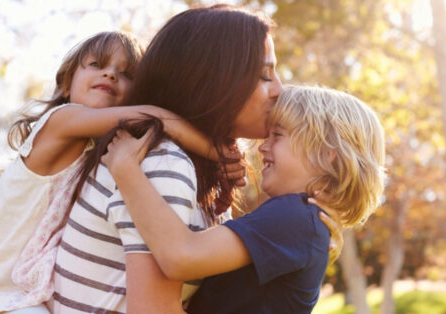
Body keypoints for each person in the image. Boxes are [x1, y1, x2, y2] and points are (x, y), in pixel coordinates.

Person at [0, 31, 225, 314]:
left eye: (125, 74)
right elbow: (154, 118)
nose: (110, 75)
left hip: (33, 294)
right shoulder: (59, 122)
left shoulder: (99, 155)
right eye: (97, 65)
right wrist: (220, 154)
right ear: (66, 84)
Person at [103, 85, 386, 313]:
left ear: (326, 155)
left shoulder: (295, 216)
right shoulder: (303, 223)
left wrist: (125, 167)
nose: (263, 147)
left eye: (277, 135)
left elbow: (181, 256)